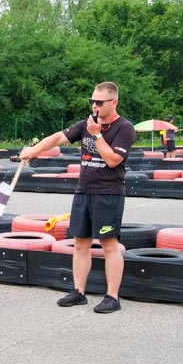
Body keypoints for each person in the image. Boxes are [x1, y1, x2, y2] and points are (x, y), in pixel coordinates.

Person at [19, 81, 136, 314]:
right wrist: (34, 150)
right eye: (92, 101)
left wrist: (97, 135)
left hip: (108, 194)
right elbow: (57, 138)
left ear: (113, 102)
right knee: (80, 242)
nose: (95, 106)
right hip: (84, 191)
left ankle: (112, 297)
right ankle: (78, 292)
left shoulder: (124, 128)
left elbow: (113, 160)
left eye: (99, 102)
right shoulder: (86, 124)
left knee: (109, 244)